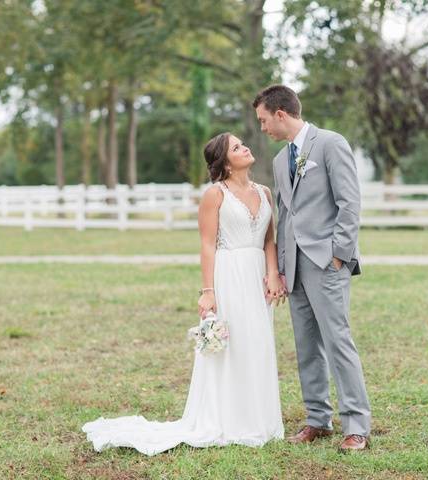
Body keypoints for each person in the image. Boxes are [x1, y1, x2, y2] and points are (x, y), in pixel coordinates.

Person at [82, 133, 284, 455]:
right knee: (231, 347)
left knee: (257, 343)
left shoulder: (264, 193)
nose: (244, 147)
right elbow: (206, 245)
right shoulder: (215, 195)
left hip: (257, 276)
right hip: (228, 275)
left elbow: (270, 239)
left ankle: (257, 418)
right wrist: (208, 291)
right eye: (236, 147)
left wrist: (273, 274)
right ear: (225, 162)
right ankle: (227, 419)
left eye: (242, 143)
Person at [253, 84, 371, 452]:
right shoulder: (278, 161)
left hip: (326, 262)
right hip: (297, 269)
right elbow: (285, 216)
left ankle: (356, 425)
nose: (262, 128)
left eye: (263, 120)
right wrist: (284, 268)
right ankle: (317, 419)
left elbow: (349, 203)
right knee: (306, 346)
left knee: (338, 342)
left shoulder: (331, 143)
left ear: (281, 114)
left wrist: (339, 254)